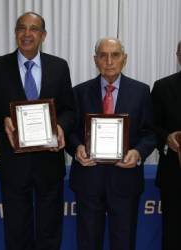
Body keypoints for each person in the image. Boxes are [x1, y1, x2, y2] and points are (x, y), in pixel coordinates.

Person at [0, 12, 75, 250]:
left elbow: (69, 108)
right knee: (16, 228)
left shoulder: (59, 66)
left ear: (43, 35)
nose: (27, 34)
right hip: (15, 161)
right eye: (22, 28)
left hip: (49, 161)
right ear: (15, 33)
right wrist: (3, 120)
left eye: (33, 29)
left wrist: (61, 126)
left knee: (50, 228)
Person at [66, 37, 156, 250]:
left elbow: (150, 132)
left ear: (124, 59)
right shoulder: (79, 92)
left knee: (124, 242)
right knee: (87, 242)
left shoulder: (141, 91)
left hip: (125, 180)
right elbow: (70, 131)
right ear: (95, 60)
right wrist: (76, 147)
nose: (109, 61)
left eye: (115, 55)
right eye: (103, 55)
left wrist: (138, 152)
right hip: (89, 181)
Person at [151, 40, 181, 250]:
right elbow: (151, 126)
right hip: (174, 175)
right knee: (173, 234)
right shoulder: (162, 87)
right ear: (178, 55)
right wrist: (167, 137)